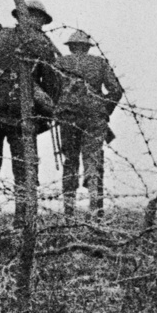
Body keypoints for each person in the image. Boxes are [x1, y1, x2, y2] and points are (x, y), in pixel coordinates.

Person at [0, 0, 60, 227]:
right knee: (23, 166)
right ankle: (21, 220)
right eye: (40, 19)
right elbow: (52, 83)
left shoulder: (0, 37)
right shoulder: (42, 43)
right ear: (37, 18)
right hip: (21, 112)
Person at [55, 29, 123, 219]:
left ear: (71, 46)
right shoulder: (99, 63)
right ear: (87, 47)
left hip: (68, 117)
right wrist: (103, 110)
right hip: (94, 118)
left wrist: (59, 107)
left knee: (70, 162)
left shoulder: (60, 63)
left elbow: (52, 90)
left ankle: (69, 213)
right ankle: (96, 212)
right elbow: (116, 91)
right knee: (93, 162)